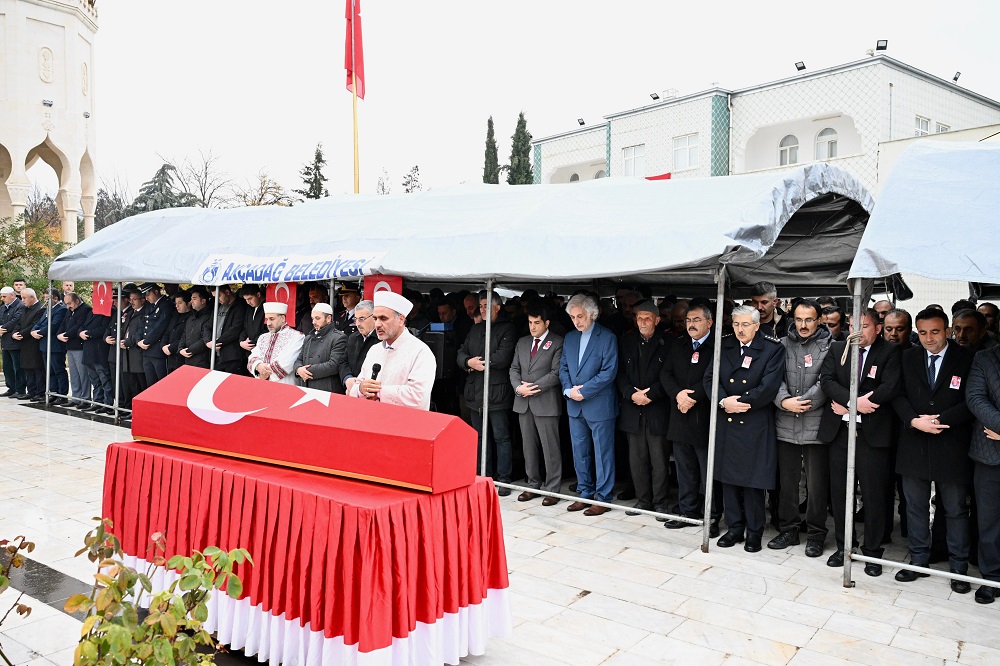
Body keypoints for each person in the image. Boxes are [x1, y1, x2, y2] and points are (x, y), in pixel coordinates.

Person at [892, 308, 974, 593]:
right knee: (914, 507)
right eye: (923, 332)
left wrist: (939, 421)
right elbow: (898, 395)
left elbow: (971, 400)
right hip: (914, 443)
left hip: (951, 444)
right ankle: (918, 562)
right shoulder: (908, 357)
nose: (929, 338)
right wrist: (914, 421)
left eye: (935, 332)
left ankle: (960, 569)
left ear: (948, 331)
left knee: (954, 510)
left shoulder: (967, 358)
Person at [819, 308, 902, 574]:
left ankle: (873, 551)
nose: (858, 332)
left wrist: (854, 406)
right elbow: (827, 380)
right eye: (854, 325)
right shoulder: (838, 348)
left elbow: (890, 387)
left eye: (864, 326)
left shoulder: (889, 352)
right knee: (840, 492)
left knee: (873, 494)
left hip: (872, 434)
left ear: (877, 328)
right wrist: (852, 403)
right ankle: (845, 546)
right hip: (840, 432)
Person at [709, 305, 786, 552]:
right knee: (728, 478)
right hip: (727, 419)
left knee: (753, 481)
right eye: (736, 325)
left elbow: (769, 386)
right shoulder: (724, 345)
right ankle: (734, 528)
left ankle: (754, 531)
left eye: (745, 325)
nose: (740, 330)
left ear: (756, 325)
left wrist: (741, 403)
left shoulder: (772, 349)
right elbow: (710, 378)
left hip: (754, 422)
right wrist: (723, 401)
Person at [770, 299, 833, 556]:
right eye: (798, 319)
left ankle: (816, 534)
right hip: (786, 423)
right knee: (788, 482)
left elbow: (828, 380)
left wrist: (804, 402)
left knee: (817, 485)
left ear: (819, 320)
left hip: (816, 425)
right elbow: (773, 377)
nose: (803, 325)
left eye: (809, 319)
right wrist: (784, 401)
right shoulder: (782, 345)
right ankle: (789, 530)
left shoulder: (830, 346)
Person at [660, 302, 719, 534]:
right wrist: (677, 394)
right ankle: (687, 511)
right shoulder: (678, 344)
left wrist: (691, 396)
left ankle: (712, 517)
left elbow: (714, 378)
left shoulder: (718, 346)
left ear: (709, 322)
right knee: (685, 470)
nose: (691, 325)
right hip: (679, 415)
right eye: (688, 321)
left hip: (702, 416)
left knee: (707, 472)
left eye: (696, 320)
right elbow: (665, 373)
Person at [560, 293, 619, 515]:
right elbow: (563, 367)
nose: (577, 321)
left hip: (599, 405)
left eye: (580, 316)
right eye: (573, 317)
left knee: (603, 454)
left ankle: (603, 498)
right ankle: (584, 492)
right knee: (580, 452)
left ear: (592, 314)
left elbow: (608, 372)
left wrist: (583, 391)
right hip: (575, 405)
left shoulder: (607, 337)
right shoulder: (570, 337)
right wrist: (568, 390)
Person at [616, 301, 672, 518]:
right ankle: (643, 500)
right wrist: (632, 394)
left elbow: (669, 375)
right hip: (633, 408)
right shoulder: (627, 340)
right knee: (637, 460)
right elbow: (620, 373)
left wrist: (650, 395)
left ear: (657, 320)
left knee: (659, 460)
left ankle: (660, 502)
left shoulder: (669, 342)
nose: (642, 322)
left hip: (657, 409)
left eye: (647, 318)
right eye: (639, 318)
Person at [457, 291, 517, 494]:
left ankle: (504, 479)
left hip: (497, 393)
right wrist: (468, 362)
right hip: (475, 392)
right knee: (480, 437)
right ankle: (483, 475)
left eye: (486, 306)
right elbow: (461, 352)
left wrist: (477, 362)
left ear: (498, 307)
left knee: (501, 437)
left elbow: (502, 357)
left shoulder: (508, 328)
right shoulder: (475, 329)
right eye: (480, 306)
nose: (482, 310)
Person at [509, 300, 564, 505]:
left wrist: (532, 387)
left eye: (537, 322)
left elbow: (556, 373)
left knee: (550, 447)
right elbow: (514, 368)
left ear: (546, 323)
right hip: (523, 400)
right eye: (530, 322)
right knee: (528, 446)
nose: (532, 326)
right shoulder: (522, 342)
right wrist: (518, 387)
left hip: (545, 401)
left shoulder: (557, 342)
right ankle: (533, 483)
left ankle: (552, 489)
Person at [348, 290, 437, 410]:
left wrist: (378, 392)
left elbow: (418, 397)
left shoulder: (421, 352)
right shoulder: (374, 350)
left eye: (383, 318)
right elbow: (357, 386)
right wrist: (360, 389)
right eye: (375, 319)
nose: (377, 324)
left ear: (401, 320)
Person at [966, 332, 1000, 603]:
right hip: (989, 454)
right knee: (989, 520)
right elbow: (976, 398)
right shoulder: (985, 358)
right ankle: (991, 577)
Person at [294, 303, 348, 393]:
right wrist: (298, 369)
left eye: (317, 318)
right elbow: (298, 359)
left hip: (326, 391)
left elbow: (333, 365)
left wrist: (305, 371)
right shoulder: (308, 338)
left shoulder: (339, 337)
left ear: (328, 319)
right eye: (313, 318)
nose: (313, 322)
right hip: (306, 388)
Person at [248, 302, 304, 384]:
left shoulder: (297, 336)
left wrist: (264, 374)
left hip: (285, 385)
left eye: (272, 319)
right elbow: (252, 357)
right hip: (262, 384)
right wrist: (258, 366)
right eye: (267, 319)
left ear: (283, 319)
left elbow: (287, 363)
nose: (268, 323)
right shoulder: (263, 337)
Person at [57, 293, 93, 407]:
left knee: (83, 374)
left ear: (77, 301)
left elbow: (78, 326)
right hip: (70, 346)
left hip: (79, 346)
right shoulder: (69, 311)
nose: (68, 306)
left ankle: (85, 398)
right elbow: (63, 324)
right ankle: (76, 398)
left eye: (69, 303)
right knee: (73, 375)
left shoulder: (86, 310)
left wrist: (66, 334)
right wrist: (58, 334)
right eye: (66, 304)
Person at [32, 289, 68, 403]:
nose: (45, 301)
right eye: (45, 298)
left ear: (55, 298)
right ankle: (53, 392)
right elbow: (39, 322)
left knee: (58, 370)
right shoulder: (47, 309)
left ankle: (62, 394)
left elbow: (53, 325)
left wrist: (39, 332)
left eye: (48, 298)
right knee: (49, 371)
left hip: (55, 346)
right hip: (45, 345)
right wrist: (33, 331)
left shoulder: (61, 309)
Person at [341, 299, 380, 395]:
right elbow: (343, 361)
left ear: (374, 317)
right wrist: (347, 378)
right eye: (355, 319)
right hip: (351, 391)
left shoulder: (382, 340)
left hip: (371, 394)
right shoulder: (353, 338)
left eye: (361, 319)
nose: (357, 324)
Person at [12, 289, 44, 401]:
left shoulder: (40, 308)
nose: (22, 300)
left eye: (24, 298)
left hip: (34, 343)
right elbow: (19, 323)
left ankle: (40, 392)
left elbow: (34, 325)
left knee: (37, 368)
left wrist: (20, 334)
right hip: (24, 343)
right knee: (27, 368)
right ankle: (31, 391)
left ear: (32, 297)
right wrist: (14, 333)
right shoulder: (25, 309)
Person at [137, 283, 171, 386]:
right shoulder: (149, 306)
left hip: (157, 350)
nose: (146, 298)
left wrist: (147, 341)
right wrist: (139, 341)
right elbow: (142, 324)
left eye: (148, 295)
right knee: (150, 384)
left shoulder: (166, 305)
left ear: (156, 292)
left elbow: (160, 326)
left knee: (161, 384)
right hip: (146, 351)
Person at [210, 285, 249, 375]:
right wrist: (207, 340)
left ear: (227, 292)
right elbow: (208, 325)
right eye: (215, 298)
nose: (217, 300)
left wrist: (216, 342)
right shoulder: (218, 306)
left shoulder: (240, 306)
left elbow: (235, 330)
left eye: (219, 296)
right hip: (217, 355)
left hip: (233, 356)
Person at [82, 301, 112, 413]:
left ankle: (107, 403)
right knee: (95, 380)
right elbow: (83, 325)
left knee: (104, 378)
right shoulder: (92, 312)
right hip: (89, 350)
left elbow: (103, 329)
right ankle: (97, 401)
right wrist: (81, 332)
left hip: (99, 351)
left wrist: (88, 333)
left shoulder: (107, 312)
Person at [178, 287, 213, 369]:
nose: (191, 302)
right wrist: (180, 349)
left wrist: (188, 350)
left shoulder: (209, 316)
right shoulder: (191, 317)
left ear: (203, 301)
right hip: (188, 359)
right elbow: (184, 335)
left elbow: (205, 338)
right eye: (191, 299)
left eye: (194, 299)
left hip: (202, 360)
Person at [0, 286, 26, 397]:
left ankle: (20, 390)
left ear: (12, 295)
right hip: (5, 341)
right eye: (1, 296)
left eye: (4, 296)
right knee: (7, 367)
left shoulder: (20, 306)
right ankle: (11, 387)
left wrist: (2, 328)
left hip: (15, 341)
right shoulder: (3, 307)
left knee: (18, 367)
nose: (2, 298)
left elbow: (16, 320)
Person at [162, 290, 192, 374]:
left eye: (180, 303)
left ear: (188, 303)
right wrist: (163, 346)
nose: (177, 306)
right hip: (170, 357)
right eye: (176, 303)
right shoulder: (175, 316)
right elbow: (167, 332)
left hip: (181, 358)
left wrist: (171, 348)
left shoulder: (192, 318)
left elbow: (187, 337)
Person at [238, 284, 267, 359]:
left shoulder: (268, 307)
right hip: (249, 352)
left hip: (262, 353)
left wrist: (250, 343)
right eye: (246, 300)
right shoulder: (249, 308)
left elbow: (267, 331)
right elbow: (245, 327)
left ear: (258, 294)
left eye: (250, 298)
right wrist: (241, 341)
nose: (248, 302)